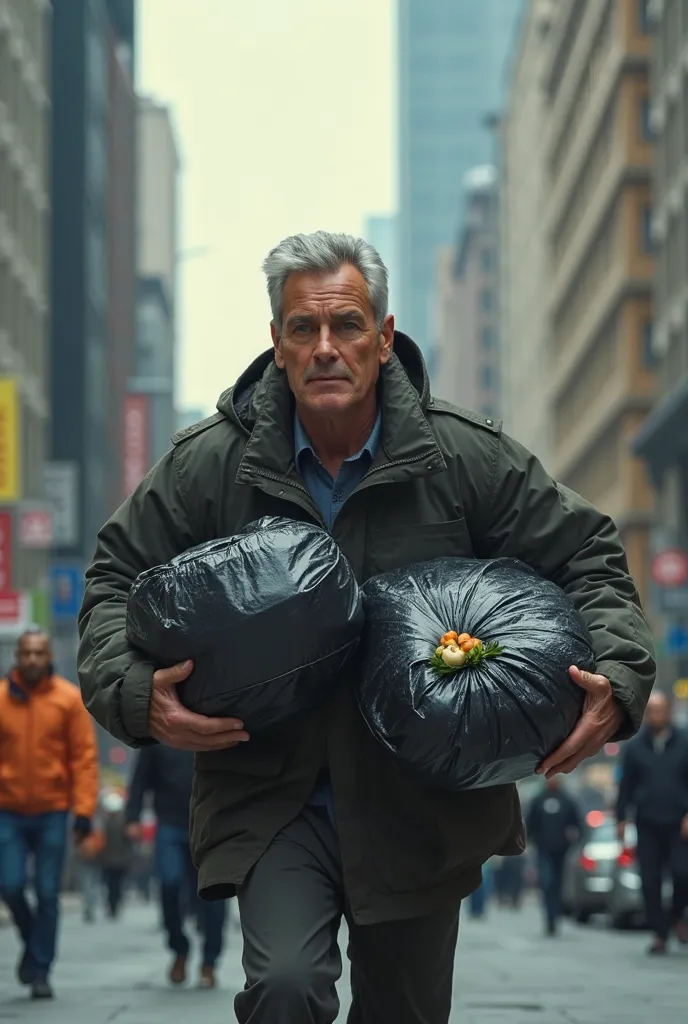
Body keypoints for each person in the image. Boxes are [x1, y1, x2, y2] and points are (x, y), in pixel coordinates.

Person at [78, 231, 655, 1023]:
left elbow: (588, 553)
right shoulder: (208, 466)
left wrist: (617, 684)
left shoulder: (462, 458)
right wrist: (135, 691)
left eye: (346, 325)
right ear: (276, 344)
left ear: (383, 338)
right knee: (286, 988)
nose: (325, 348)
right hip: (270, 794)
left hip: (421, 804)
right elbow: (112, 579)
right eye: (302, 329)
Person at [0, 629, 99, 1000]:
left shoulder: (68, 700)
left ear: (48, 657)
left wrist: (84, 812)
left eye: (38, 653)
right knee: (9, 886)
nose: (31, 660)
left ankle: (40, 971)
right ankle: (32, 942)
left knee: (47, 893)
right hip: (7, 810)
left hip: (53, 811)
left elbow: (84, 760)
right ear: (17, 657)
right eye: (26, 653)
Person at [125, 746, 228, 988]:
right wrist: (132, 817)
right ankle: (179, 948)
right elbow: (140, 778)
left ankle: (209, 962)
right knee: (168, 884)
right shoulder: (160, 729)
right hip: (170, 824)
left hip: (210, 826)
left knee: (214, 894)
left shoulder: (216, 714)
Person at [616, 691, 688, 953]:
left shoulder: (684, 742)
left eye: (661, 709)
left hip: (680, 823)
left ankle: (677, 915)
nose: (656, 715)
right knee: (650, 880)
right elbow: (625, 786)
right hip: (647, 822)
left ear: (669, 712)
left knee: (683, 874)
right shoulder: (635, 748)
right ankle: (660, 932)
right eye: (652, 710)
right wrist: (621, 819)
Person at [526, 777, 583, 936]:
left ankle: (555, 916)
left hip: (561, 850)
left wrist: (575, 839)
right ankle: (549, 917)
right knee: (547, 881)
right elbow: (530, 824)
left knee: (558, 883)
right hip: (542, 848)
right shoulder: (538, 800)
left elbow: (577, 823)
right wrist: (529, 841)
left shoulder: (567, 800)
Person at [100, 790, 131, 918]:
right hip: (121, 860)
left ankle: (112, 904)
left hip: (108, 860)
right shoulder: (124, 822)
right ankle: (115, 903)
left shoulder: (105, 823)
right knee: (117, 884)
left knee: (110, 885)